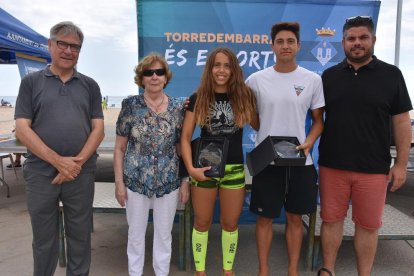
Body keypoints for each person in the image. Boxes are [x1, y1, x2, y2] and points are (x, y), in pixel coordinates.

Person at [317, 16, 412, 276]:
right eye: (351, 38)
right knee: (331, 220)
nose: (357, 43)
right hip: (332, 165)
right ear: (343, 42)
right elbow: (314, 117)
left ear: (373, 40)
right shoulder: (329, 76)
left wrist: (401, 164)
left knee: (368, 226)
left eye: (363, 38)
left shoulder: (392, 75)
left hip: (373, 168)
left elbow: (403, 122)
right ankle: (328, 270)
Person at [14, 21, 104, 276]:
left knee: (80, 237)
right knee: (44, 240)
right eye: (62, 44)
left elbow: (98, 129)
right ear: (50, 45)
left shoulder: (90, 85)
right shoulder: (31, 83)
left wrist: (75, 164)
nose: (68, 51)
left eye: (74, 46)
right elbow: (22, 128)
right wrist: (58, 162)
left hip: (81, 173)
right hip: (41, 173)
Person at [245, 22, 325, 276]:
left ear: (298, 45)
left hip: (300, 162)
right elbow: (255, 121)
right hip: (266, 162)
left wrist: (310, 142)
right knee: (264, 218)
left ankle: (292, 271)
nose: (285, 46)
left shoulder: (312, 80)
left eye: (290, 41)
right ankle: (264, 270)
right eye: (280, 41)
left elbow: (318, 122)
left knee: (294, 218)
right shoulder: (255, 80)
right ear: (272, 46)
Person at [181, 47, 258, 276]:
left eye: (227, 65)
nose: (221, 70)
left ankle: (228, 271)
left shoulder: (245, 96)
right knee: (202, 223)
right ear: (210, 68)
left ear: (234, 69)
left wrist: (248, 99)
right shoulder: (198, 98)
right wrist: (191, 170)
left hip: (233, 168)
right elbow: (185, 138)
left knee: (230, 224)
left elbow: (258, 125)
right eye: (217, 65)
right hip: (205, 168)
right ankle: (200, 272)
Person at [113, 53, 190, 276]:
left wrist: (185, 181)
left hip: (169, 181)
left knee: (164, 236)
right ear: (142, 78)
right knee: (136, 235)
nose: (154, 76)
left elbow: (181, 147)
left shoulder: (178, 107)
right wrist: (119, 183)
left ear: (166, 77)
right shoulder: (130, 105)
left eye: (159, 72)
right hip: (135, 181)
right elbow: (119, 148)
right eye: (149, 73)